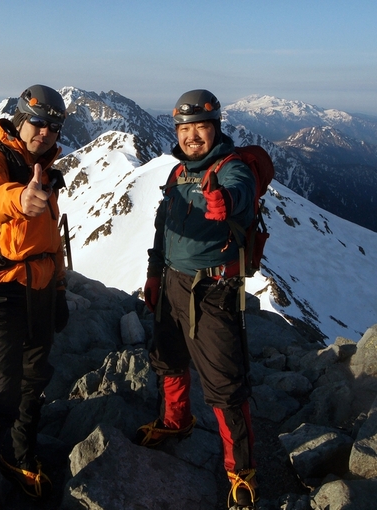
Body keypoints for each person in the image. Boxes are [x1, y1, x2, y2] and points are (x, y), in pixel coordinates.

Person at [136, 89, 259, 509]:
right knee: (168, 357)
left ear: (216, 127)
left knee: (225, 384)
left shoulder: (231, 169)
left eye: (200, 127)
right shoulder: (177, 175)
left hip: (212, 291)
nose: (191, 136)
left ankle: (240, 471)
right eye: (184, 129)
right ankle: (177, 421)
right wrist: (154, 274)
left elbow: (243, 192)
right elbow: (162, 228)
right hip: (172, 281)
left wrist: (226, 200)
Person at [0, 84, 69, 510]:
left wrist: (59, 288)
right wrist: (21, 199)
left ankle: (21, 457)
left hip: (40, 291)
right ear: (21, 120)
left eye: (53, 127)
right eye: (38, 123)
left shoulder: (41, 167)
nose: (44, 132)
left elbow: (52, 240)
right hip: (0, 292)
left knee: (34, 383)